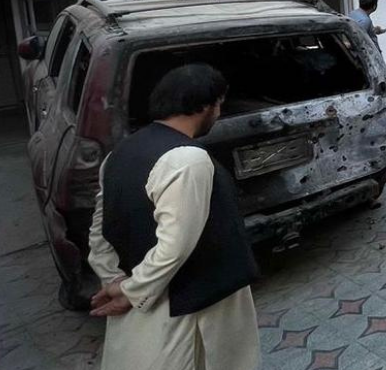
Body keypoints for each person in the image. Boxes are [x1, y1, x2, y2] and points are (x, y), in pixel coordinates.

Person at [87, 64, 259, 370]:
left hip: (148, 294)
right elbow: (175, 247)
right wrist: (131, 291)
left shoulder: (119, 153)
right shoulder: (188, 159)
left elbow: (101, 228)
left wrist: (113, 277)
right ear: (204, 106)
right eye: (219, 104)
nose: (219, 112)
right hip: (191, 307)